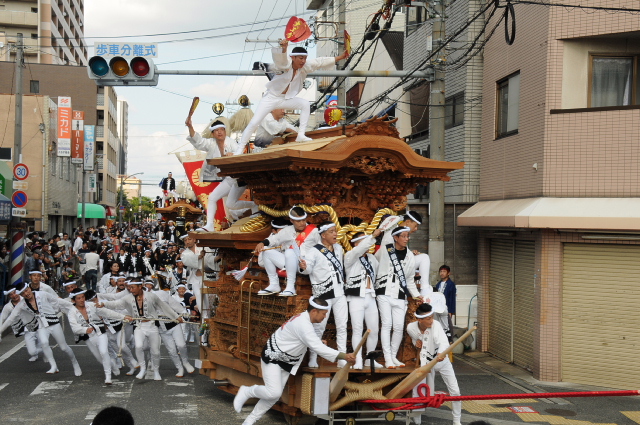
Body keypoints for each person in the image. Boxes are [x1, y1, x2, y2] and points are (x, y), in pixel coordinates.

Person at [233, 298, 356, 425]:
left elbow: (303, 338)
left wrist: (317, 342)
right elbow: (317, 347)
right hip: (274, 356)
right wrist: (344, 356)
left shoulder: (304, 319)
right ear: (314, 311)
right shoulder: (303, 324)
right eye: (323, 314)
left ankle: (249, 421)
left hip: (287, 360)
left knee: (273, 396)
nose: (325, 317)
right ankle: (247, 391)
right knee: (273, 392)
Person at [237, 40, 349, 147]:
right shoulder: (285, 65)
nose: (303, 61)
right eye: (300, 58)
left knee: (305, 104)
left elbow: (320, 62)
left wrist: (340, 57)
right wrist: (284, 48)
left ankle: (301, 135)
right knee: (253, 123)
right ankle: (240, 149)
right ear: (293, 57)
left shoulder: (305, 67)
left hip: (284, 98)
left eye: (305, 58)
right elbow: (281, 59)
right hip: (271, 97)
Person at [98, 279, 183, 381]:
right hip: (139, 326)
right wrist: (104, 304)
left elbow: (164, 307)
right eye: (130, 287)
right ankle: (142, 368)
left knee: (155, 351)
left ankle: (156, 371)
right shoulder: (128, 298)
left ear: (140, 286)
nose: (131, 289)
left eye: (133, 287)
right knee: (138, 346)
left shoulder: (151, 296)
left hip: (152, 326)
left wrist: (175, 317)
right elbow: (117, 304)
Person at [185, 117, 256, 232]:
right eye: (217, 130)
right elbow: (198, 141)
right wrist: (190, 126)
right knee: (220, 200)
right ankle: (210, 225)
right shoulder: (211, 143)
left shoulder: (231, 142)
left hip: (240, 177)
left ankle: (255, 205)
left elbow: (239, 152)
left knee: (229, 203)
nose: (220, 132)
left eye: (222, 130)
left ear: (225, 131)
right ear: (212, 134)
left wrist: (233, 154)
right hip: (229, 178)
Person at [0, 283, 82, 375]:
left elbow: (58, 301)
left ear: (29, 288)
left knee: (64, 347)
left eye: (26, 290)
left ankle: (75, 363)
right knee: (44, 343)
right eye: (23, 293)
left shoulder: (42, 294)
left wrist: (76, 308)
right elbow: (10, 319)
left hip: (53, 323)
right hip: (41, 326)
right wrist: (0, 331)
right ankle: (53, 366)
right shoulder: (22, 304)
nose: (26, 293)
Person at [375, 224, 425, 368]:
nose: (406, 239)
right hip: (384, 292)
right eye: (403, 236)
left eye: (407, 236)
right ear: (395, 238)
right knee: (387, 324)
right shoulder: (385, 249)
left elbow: (409, 280)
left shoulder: (410, 256)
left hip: (400, 295)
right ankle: (387, 358)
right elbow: (376, 262)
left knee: (398, 327)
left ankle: (393, 356)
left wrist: (417, 295)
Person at [299, 221, 347, 368]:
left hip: (339, 292)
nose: (335, 234)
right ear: (323, 235)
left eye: (335, 231)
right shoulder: (314, 251)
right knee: (319, 327)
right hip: (323, 294)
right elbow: (307, 269)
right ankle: (313, 357)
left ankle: (342, 358)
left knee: (342, 326)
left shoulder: (339, 248)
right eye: (332, 231)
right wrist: (304, 267)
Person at [407, 303, 461, 425]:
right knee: (421, 391)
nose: (431, 320)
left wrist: (441, 353)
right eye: (428, 318)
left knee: (455, 391)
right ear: (419, 319)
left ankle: (457, 421)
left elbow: (443, 342)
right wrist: (416, 342)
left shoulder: (436, 325)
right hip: (426, 363)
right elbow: (416, 338)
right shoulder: (411, 327)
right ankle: (417, 418)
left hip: (442, 360)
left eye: (432, 317)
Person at [67, 288, 132, 384]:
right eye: (78, 298)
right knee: (99, 358)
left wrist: (123, 317)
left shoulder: (91, 305)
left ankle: (108, 377)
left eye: (83, 297)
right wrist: (85, 330)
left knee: (103, 352)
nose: (82, 300)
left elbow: (108, 313)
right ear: (73, 300)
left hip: (100, 331)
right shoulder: (71, 312)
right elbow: (74, 327)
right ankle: (113, 365)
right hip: (88, 336)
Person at [254, 207, 316, 296]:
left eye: (303, 220)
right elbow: (275, 239)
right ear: (291, 220)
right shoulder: (287, 230)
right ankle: (274, 284)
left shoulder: (314, 231)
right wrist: (262, 243)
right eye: (298, 221)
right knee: (266, 252)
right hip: (290, 263)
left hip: (305, 265)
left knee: (289, 251)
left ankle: (290, 287)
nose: (302, 223)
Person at [344, 229, 383, 369]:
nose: (367, 244)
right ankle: (358, 359)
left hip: (370, 296)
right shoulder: (350, 256)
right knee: (357, 330)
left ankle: (369, 359)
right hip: (356, 298)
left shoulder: (372, 258)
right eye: (363, 241)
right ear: (356, 244)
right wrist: (372, 237)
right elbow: (359, 250)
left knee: (374, 330)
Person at [0, 286, 42, 361]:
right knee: (32, 352)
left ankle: (43, 349)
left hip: (38, 325)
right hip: (26, 329)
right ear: (9, 296)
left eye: (14, 293)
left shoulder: (27, 299)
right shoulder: (7, 307)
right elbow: (2, 319)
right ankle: (35, 354)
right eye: (11, 294)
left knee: (43, 342)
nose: (14, 295)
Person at [402, 211, 433, 298]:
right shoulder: (396, 233)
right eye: (415, 226)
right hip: (394, 267)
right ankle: (425, 289)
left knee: (423, 257)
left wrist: (411, 253)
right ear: (408, 222)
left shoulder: (404, 233)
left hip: (403, 264)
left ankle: (425, 288)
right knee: (424, 257)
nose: (416, 229)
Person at [435, 265, 456, 334]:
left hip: (446, 309)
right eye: (441, 271)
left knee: (446, 328)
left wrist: (451, 311)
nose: (442, 273)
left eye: (444, 271)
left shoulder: (451, 284)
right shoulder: (438, 284)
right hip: (437, 309)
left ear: (448, 273)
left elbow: (452, 299)